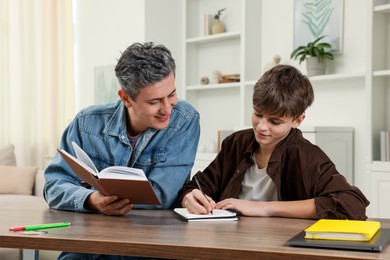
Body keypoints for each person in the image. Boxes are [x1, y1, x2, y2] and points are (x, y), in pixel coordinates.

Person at [44, 42, 200, 259]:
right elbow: (54, 185)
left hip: (151, 245)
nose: (167, 109)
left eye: (172, 94)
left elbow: (164, 194)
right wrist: (91, 199)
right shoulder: (86, 123)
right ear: (126, 98)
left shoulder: (184, 120)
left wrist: (105, 197)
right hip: (91, 246)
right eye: (155, 101)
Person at [178, 64, 369, 220]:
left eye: (274, 121)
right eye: (257, 114)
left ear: (297, 120)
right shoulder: (236, 143)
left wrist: (264, 208)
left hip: (281, 245)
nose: (261, 126)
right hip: (230, 240)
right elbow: (198, 186)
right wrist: (190, 198)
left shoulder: (306, 155)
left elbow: (351, 204)